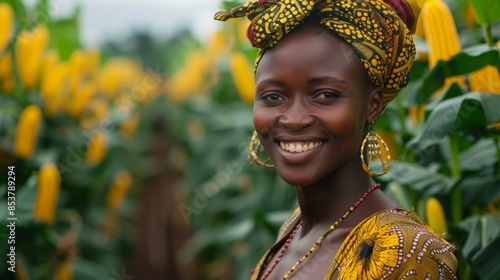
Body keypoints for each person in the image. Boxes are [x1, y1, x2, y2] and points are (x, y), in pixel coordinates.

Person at [215, 0, 458, 279]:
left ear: (373, 105)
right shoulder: (294, 227)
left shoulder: (406, 254)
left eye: (325, 95)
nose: (294, 119)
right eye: (273, 97)